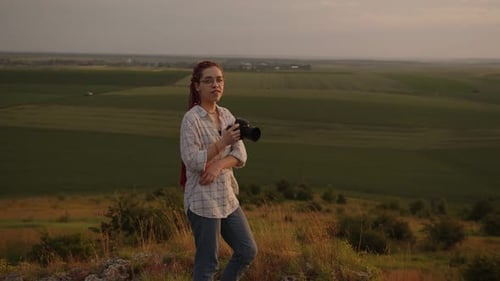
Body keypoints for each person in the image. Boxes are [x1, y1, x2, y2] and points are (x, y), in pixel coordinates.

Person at [179, 61, 257, 281]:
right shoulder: (191, 119)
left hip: (226, 197)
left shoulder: (226, 115)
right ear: (197, 86)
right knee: (207, 264)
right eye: (209, 80)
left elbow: (240, 155)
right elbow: (192, 161)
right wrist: (222, 144)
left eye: (219, 80)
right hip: (203, 200)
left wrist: (218, 165)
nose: (216, 85)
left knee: (247, 250)